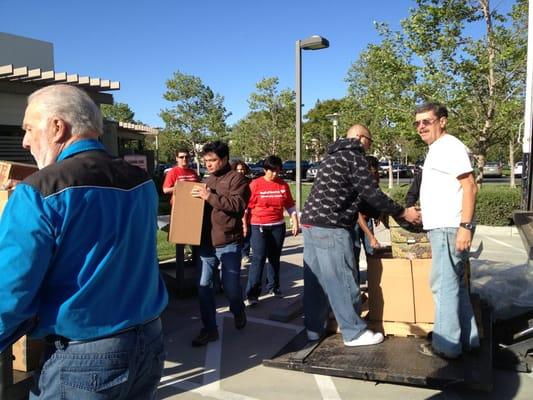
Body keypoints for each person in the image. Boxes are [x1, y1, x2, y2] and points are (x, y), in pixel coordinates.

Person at [0, 84, 168, 399]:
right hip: (150, 342)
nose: (24, 141)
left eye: (28, 129)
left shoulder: (39, 190)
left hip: (85, 359)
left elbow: (10, 290)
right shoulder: (142, 182)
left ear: (56, 127)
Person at [301, 124, 421, 347]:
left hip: (311, 224)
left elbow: (356, 195)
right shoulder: (354, 156)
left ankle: (313, 328)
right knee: (343, 280)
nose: (369, 146)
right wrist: (403, 212)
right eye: (370, 141)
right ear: (360, 138)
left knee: (316, 280)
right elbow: (371, 193)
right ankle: (354, 332)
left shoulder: (331, 157)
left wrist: (381, 213)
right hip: (332, 225)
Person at [415, 102, 479, 359]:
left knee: (443, 286)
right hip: (444, 226)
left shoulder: (449, 146)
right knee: (455, 286)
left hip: (448, 228)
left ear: (442, 121)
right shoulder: (439, 148)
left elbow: (470, 187)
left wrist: (465, 227)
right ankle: (469, 339)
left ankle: (447, 346)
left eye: (426, 122)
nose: (420, 127)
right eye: (417, 123)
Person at [190, 141, 250, 347]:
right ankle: (209, 329)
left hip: (228, 242)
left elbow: (237, 205)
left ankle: (238, 309)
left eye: (213, 160)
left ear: (224, 159)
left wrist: (209, 196)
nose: (209, 164)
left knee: (231, 287)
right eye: (206, 160)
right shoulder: (205, 180)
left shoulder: (238, 179)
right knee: (204, 286)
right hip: (205, 243)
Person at [245, 155, 299, 305]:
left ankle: (274, 287)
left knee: (274, 258)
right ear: (264, 170)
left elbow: (289, 205)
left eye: (277, 171)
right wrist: (244, 224)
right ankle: (252, 293)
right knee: (258, 258)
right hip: (259, 225)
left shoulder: (283, 185)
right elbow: (247, 207)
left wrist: (294, 221)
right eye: (271, 171)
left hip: (277, 225)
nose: (275, 174)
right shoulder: (255, 184)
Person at [162, 148, 200, 282]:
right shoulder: (173, 172)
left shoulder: (193, 172)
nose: (185, 160)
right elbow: (165, 189)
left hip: (194, 210)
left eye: (187, 157)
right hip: (179, 210)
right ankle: (180, 273)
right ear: (177, 158)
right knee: (180, 243)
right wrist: (180, 187)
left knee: (196, 242)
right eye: (182, 157)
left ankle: (197, 269)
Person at [232, 160, 252, 265]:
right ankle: (238, 252)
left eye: (242, 169)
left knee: (247, 231)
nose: (240, 172)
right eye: (238, 170)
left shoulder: (249, 181)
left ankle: (245, 253)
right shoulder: (232, 181)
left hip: (249, 208)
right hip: (237, 209)